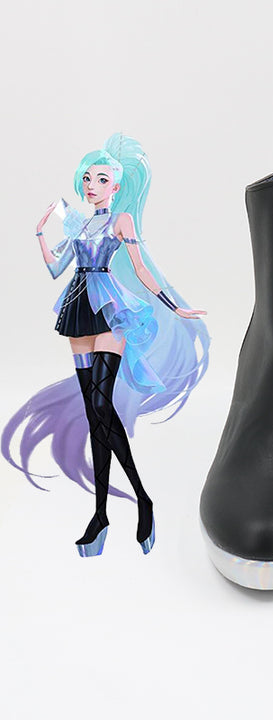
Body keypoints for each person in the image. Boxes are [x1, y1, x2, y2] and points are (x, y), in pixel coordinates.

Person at [2, 133, 210, 557]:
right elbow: (56, 268)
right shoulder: (78, 224)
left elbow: (141, 268)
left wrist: (176, 306)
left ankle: (142, 498)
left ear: (115, 186)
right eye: (87, 179)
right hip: (78, 309)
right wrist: (40, 233)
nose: (92, 185)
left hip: (110, 308)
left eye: (101, 179)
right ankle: (100, 515)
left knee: (101, 405)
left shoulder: (122, 220)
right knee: (94, 414)